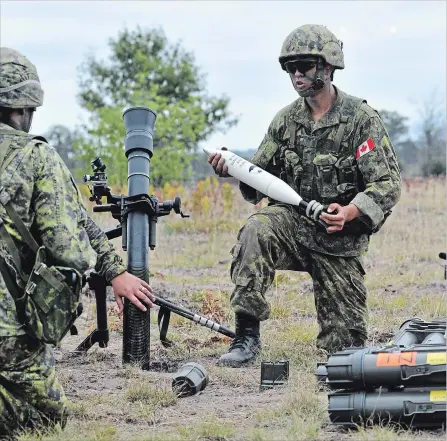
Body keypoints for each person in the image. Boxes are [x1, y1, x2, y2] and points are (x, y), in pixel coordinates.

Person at [208, 24, 402, 368]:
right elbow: (259, 180)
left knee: (345, 352)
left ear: (327, 68)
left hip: (339, 239)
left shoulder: (361, 120)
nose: (296, 75)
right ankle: (246, 337)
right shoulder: (285, 122)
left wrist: (351, 211)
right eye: (290, 68)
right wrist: (233, 167)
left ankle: (340, 343)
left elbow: (387, 184)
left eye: (305, 67)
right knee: (257, 229)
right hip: (292, 226)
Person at [0, 47, 155, 436]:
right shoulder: (36, 156)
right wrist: (105, 270)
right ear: (25, 107)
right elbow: (66, 243)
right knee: (46, 419)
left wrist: (113, 269)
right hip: (7, 332)